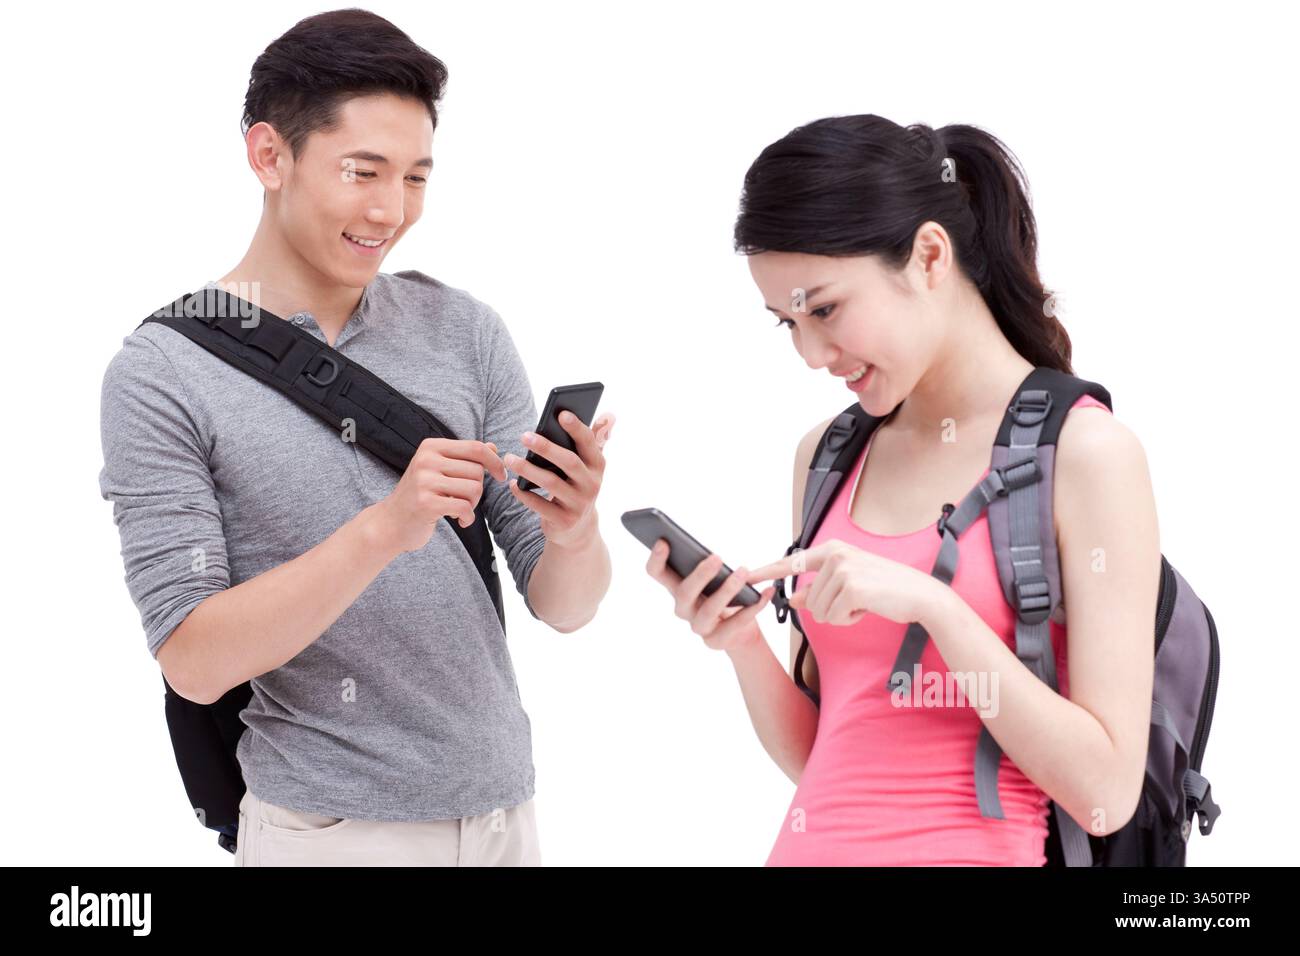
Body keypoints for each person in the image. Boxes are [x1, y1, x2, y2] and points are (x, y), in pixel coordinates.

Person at [98, 9, 614, 866]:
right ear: (270, 156)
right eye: (361, 171)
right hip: (328, 830)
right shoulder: (163, 372)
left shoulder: (464, 330)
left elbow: (566, 607)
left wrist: (575, 528)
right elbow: (192, 658)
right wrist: (385, 530)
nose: (392, 210)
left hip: (503, 813)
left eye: (416, 176)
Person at [642, 115, 1157, 865]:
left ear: (928, 255)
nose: (812, 353)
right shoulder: (826, 456)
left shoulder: (1086, 454)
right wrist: (744, 643)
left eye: (824, 309)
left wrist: (933, 605)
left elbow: (1107, 791)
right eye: (785, 322)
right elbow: (830, 757)